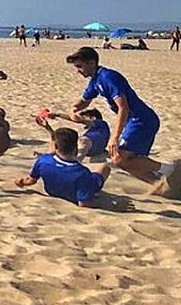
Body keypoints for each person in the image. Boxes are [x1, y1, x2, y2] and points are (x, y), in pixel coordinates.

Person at [65, 47, 177, 194]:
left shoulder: (108, 77)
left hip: (142, 120)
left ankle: (171, 170)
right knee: (124, 161)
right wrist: (73, 110)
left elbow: (123, 107)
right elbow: (84, 101)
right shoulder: (95, 80)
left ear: (92, 63)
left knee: (119, 158)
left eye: (79, 66)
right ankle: (161, 185)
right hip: (134, 122)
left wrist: (114, 137)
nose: (77, 70)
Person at [16, 128, 111, 207]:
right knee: (105, 167)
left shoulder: (43, 161)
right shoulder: (82, 173)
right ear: (76, 148)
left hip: (53, 192)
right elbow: (84, 204)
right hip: (76, 193)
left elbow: (30, 180)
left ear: (56, 147)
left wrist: (21, 182)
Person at [35, 109, 109, 158]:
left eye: (84, 117)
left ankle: (48, 156)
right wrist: (48, 127)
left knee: (76, 141)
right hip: (96, 150)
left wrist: (58, 114)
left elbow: (77, 120)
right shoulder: (100, 130)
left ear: (93, 118)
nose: (82, 118)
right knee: (65, 142)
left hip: (88, 144)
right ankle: (48, 155)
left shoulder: (100, 123)